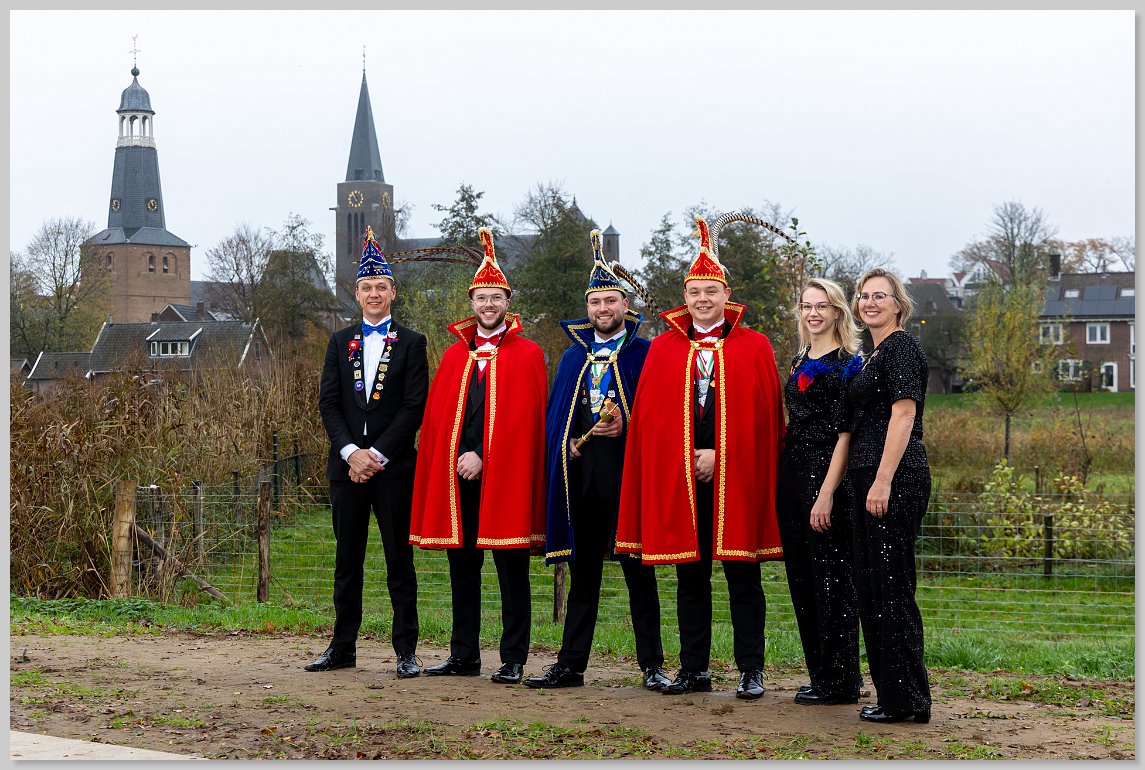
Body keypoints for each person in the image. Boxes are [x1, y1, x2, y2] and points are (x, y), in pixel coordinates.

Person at [615, 215, 785, 699]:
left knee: (743, 575)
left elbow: (765, 421)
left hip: (737, 480)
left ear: (726, 294)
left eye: (711, 291)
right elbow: (650, 422)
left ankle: (751, 668)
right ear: (685, 296)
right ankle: (694, 669)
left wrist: (720, 454)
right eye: (695, 292)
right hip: (681, 479)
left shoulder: (754, 346)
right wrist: (685, 457)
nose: (703, 299)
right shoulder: (664, 349)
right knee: (690, 576)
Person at [524, 230, 669, 692]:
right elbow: (556, 417)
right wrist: (564, 442)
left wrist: (627, 422)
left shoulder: (646, 354)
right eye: (595, 302)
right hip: (583, 481)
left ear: (625, 304)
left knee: (639, 575)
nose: (602, 309)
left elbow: (662, 415)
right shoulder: (572, 358)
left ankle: (653, 665)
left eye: (610, 301)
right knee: (583, 576)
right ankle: (570, 666)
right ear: (586, 308)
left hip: (627, 480)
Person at [409, 227, 547, 685]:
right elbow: (440, 421)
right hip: (459, 479)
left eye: (496, 298)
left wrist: (485, 457)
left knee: (511, 570)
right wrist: (456, 458)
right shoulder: (454, 356)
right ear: (471, 302)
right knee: (463, 569)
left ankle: (514, 658)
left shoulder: (528, 355)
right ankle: (464, 654)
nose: (489, 305)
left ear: (508, 302)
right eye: (482, 298)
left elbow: (524, 424)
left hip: (504, 476)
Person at [308, 226, 428, 677]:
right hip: (346, 471)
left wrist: (375, 454)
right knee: (347, 563)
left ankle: (406, 651)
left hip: (393, 470)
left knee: (399, 561)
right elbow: (329, 403)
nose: (374, 294)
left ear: (393, 293)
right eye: (366, 287)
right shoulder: (339, 342)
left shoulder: (413, 343)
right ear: (356, 294)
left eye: (381, 287)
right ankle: (342, 648)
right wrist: (350, 453)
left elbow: (414, 406)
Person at [845, 267, 932, 724]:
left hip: (894, 479)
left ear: (899, 304)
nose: (870, 303)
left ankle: (907, 701)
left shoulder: (901, 348)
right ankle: (892, 694)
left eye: (880, 296)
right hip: (867, 478)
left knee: (893, 589)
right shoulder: (874, 353)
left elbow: (903, 416)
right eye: (864, 296)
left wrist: (883, 480)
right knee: (875, 590)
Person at [777, 278, 864, 705]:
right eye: (807, 306)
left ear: (837, 312)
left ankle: (842, 680)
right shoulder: (798, 360)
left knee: (833, 581)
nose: (813, 313)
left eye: (822, 306)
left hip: (827, 475)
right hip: (792, 474)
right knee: (803, 579)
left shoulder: (850, 363)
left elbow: (846, 434)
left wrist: (827, 491)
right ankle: (820, 674)